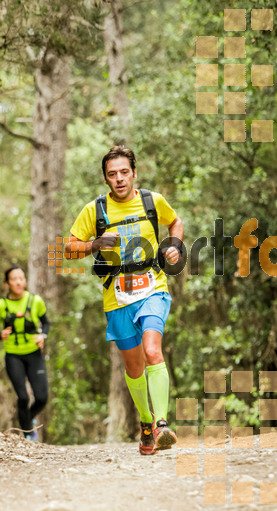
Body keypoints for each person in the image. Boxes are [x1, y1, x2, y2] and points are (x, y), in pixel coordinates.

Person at [64, 144, 184, 455]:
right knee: (134, 368)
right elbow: (69, 247)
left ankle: (161, 424)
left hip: (153, 286)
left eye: (124, 172)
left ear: (134, 174)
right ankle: (146, 422)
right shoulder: (95, 210)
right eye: (112, 174)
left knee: (152, 350)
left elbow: (175, 222)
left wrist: (174, 245)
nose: (119, 179)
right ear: (105, 179)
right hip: (117, 296)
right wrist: (95, 243)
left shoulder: (151, 201)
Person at [0, 266, 50, 440]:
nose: (18, 282)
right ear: (7, 283)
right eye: (14, 279)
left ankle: (28, 418)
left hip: (34, 354)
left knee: (42, 398)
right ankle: (28, 435)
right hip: (13, 356)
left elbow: (46, 323)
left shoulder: (35, 301)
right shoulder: (1, 305)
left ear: (25, 281)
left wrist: (42, 335)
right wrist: (0, 334)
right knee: (22, 397)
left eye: (21, 278)